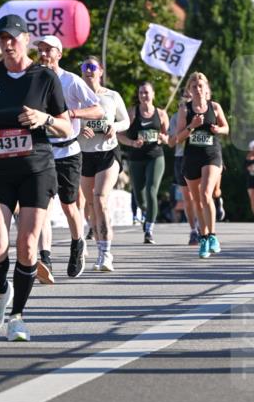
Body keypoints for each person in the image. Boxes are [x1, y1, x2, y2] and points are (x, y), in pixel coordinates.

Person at [0, 14, 72, 342]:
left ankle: (18, 317)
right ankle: (0, 291)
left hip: (36, 168)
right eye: (2, 38)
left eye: (13, 38)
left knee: (27, 246)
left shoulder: (45, 78)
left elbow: (67, 127)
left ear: (26, 40)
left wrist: (46, 118)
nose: (8, 44)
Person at [35, 35, 102, 283]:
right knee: (41, 207)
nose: (43, 54)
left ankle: (77, 244)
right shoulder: (33, 79)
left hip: (68, 151)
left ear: (59, 54)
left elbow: (98, 109)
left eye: (48, 50)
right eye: (40, 50)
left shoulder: (71, 81)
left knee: (69, 207)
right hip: (42, 151)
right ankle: (46, 257)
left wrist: (72, 113)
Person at [78, 56, 130, 272]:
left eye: (92, 67)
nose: (88, 71)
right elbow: (67, 120)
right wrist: (79, 129)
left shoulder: (112, 96)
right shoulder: (75, 96)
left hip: (108, 152)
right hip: (84, 154)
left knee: (100, 199)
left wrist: (113, 127)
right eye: (84, 67)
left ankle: (106, 254)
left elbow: (126, 121)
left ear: (100, 71)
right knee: (91, 206)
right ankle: (99, 247)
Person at [174, 71, 229, 259]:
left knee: (206, 194)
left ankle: (212, 236)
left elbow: (226, 128)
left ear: (207, 89)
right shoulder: (185, 110)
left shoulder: (214, 107)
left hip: (211, 155)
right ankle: (203, 238)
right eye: (194, 86)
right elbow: (176, 138)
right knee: (198, 200)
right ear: (189, 89)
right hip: (191, 157)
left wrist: (218, 129)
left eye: (201, 86)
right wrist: (192, 126)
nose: (198, 89)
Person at [119, 82, 169, 244]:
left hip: (155, 156)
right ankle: (148, 213)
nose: (143, 96)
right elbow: (119, 135)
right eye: (141, 93)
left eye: (146, 93)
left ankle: (149, 229)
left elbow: (167, 137)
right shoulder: (132, 112)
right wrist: (132, 143)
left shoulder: (161, 114)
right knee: (140, 197)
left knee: (151, 190)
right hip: (136, 158)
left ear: (153, 95)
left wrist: (163, 138)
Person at [168, 92, 199, 245]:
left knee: (202, 195)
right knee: (188, 197)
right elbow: (172, 141)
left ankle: (203, 227)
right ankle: (194, 230)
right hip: (181, 157)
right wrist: (189, 129)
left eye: (189, 99)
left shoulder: (203, 113)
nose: (186, 103)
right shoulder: (174, 118)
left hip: (200, 157)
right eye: (183, 101)